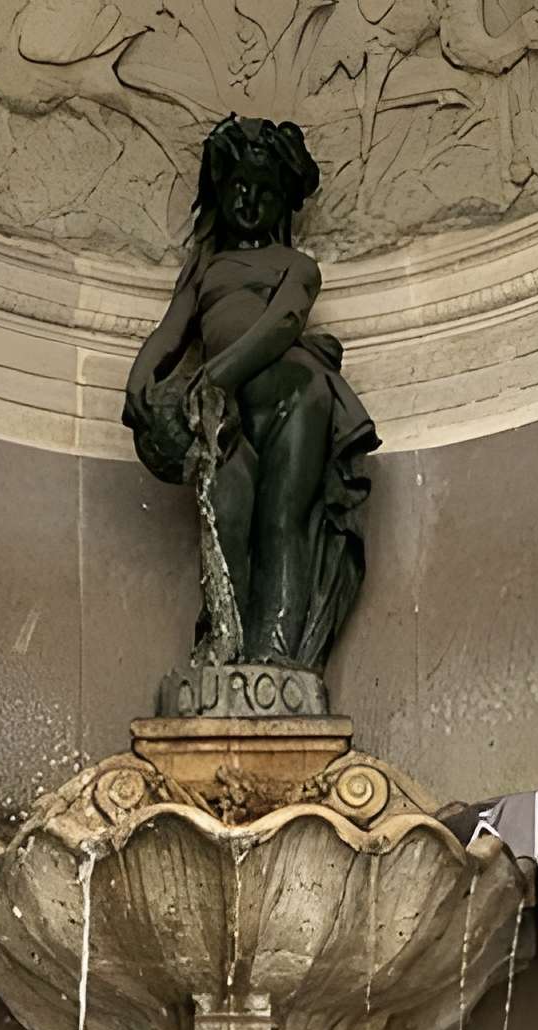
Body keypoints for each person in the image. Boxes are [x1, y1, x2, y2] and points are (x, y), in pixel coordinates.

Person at [125, 116, 379, 675]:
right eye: (239, 185)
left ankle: (277, 655)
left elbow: (283, 323)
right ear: (220, 189)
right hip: (227, 410)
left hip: (295, 396)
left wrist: (215, 375)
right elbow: (170, 333)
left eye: (265, 191)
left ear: (284, 201)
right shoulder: (205, 271)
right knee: (227, 520)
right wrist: (140, 380)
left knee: (284, 519)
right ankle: (228, 650)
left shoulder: (297, 266)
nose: (249, 200)